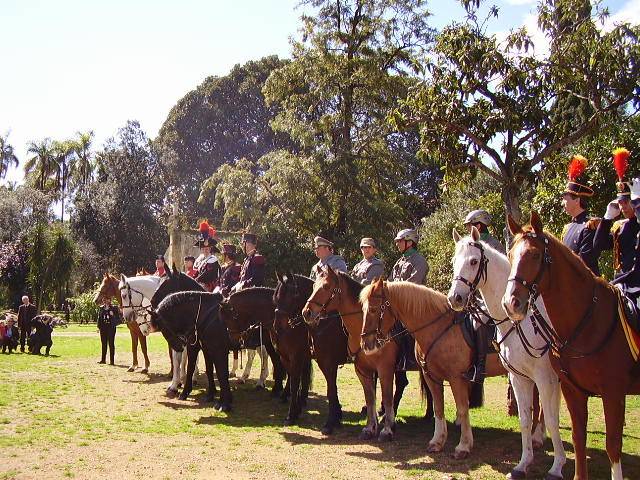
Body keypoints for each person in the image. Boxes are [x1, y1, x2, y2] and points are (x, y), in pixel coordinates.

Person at [594, 148, 639, 279]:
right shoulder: (620, 227)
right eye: (621, 203)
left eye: (627, 202)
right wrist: (607, 218)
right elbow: (598, 245)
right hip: (622, 282)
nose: (623, 206)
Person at [232, 233, 268, 384]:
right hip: (246, 297)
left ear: (251, 243)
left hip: (255, 300)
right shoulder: (247, 260)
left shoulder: (257, 258)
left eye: (244, 243)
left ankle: (264, 371)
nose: (243, 245)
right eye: (242, 243)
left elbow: (257, 279)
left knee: (258, 337)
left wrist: (243, 284)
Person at [561, 154, 601, 276]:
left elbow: (586, 262)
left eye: (565, 199)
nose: (562, 203)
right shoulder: (567, 228)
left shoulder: (590, 225)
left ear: (577, 200)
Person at [193, 221, 221, 292]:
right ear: (202, 249)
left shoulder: (213, 260)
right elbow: (197, 273)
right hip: (202, 285)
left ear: (210, 249)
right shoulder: (202, 260)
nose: (206, 250)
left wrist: (196, 280)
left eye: (207, 249)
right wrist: (192, 279)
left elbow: (207, 275)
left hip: (210, 287)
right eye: (204, 249)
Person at [97, 297, 120, 365]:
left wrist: (113, 315)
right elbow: (99, 318)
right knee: (103, 344)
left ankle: (112, 361)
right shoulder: (101, 308)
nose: (105, 301)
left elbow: (118, 320)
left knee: (111, 344)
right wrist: (98, 327)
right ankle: (103, 360)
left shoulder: (114, 308)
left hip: (111, 328)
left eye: (107, 299)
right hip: (103, 328)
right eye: (104, 299)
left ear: (110, 300)